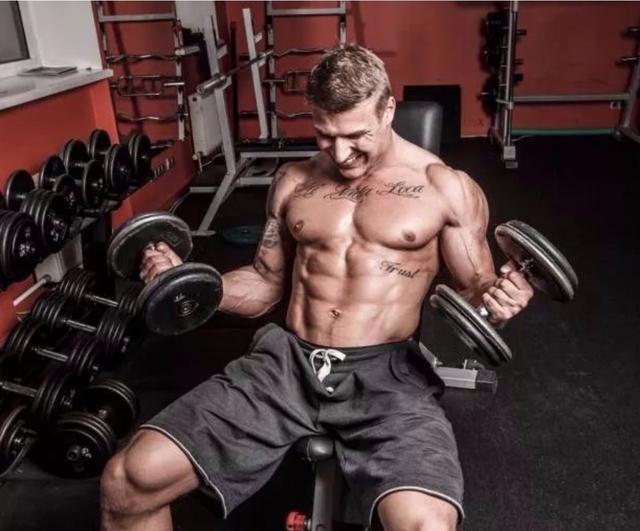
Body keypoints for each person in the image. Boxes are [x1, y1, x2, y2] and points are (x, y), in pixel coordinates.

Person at [100, 45, 534, 531]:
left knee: (426, 526)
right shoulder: (293, 181)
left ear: (388, 109)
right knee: (128, 480)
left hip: (387, 376)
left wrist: (498, 299)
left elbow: (475, 289)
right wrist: (188, 280)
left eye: (356, 135)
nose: (341, 154)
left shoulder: (445, 187)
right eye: (326, 135)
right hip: (286, 364)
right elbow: (266, 284)